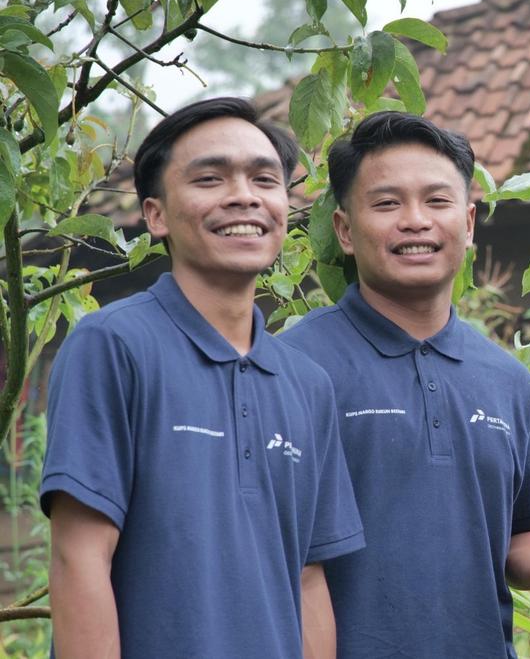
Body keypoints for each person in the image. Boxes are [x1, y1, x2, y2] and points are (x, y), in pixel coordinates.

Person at [280, 111, 530, 658]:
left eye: (437, 201)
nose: (415, 220)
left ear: (468, 224)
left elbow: (523, 532)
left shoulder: (506, 382)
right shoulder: (294, 368)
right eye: (387, 203)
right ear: (345, 231)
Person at [40, 97, 364, 659]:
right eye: (210, 178)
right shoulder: (113, 346)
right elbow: (79, 556)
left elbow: (309, 579)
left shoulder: (307, 384)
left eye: (265, 179)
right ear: (156, 214)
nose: (244, 196)